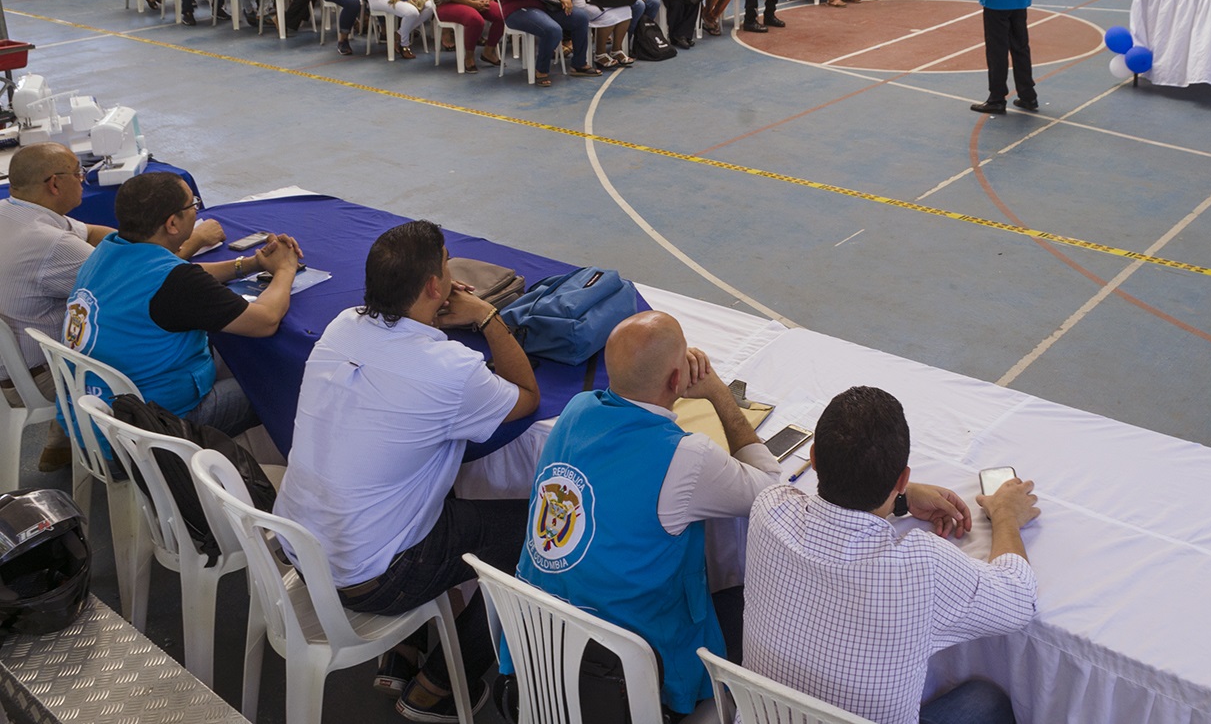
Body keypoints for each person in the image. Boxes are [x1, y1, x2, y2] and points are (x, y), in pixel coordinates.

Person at [274, 220, 540, 723]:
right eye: (445, 267)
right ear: (435, 287)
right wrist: (485, 316)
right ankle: (440, 685)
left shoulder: (343, 323)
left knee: (428, 502)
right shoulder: (452, 369)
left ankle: (404, 653)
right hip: (376, 576)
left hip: (302, 550)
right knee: (541, 538)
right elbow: (526, 398)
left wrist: (432, 319)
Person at [511, 311, 781, 716]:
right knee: (753, 597)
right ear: (677, 381)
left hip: (542, 645)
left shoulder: (576, 409)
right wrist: (718, 393)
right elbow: (772, 494)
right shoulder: (686, 455)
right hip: (628, 674)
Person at [744, 386, 1039, 724]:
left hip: (767, 716)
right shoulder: (923, 565)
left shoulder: (769, 509)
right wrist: (1005, 516)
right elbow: (1020, 600)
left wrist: (900, 499)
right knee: (988, 702)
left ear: (812, 458)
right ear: (904, 477)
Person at [1, 147, 218, 471]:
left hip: (14, 365)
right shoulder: (51, 244)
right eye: (78, 173)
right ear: (54, 185)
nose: (84, 181)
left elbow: (92, 233)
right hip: (49, 375)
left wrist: (128, 242)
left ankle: (60, 441)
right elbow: (141, 276)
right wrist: (198, 239)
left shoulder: (15, 213)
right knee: (154, 336)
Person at [64, 172, 303, 435]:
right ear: (172, 224)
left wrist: (249, 265)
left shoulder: (107, 252)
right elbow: (266, 320)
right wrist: (284, 269)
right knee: (285, 382)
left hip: (91, 418)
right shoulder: (176, 282)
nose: (195, 210)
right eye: (193, 205)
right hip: (153, 429)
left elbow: (181, 273)